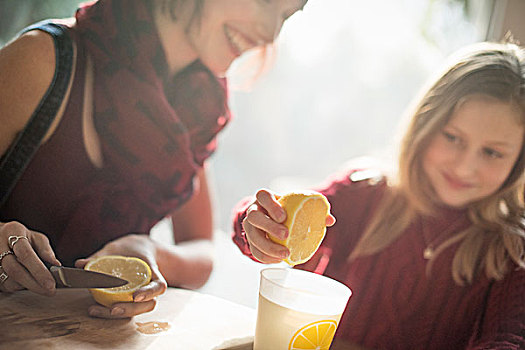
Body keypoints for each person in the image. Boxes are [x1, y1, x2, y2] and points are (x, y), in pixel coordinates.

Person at [0, 0, 307, 319]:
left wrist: (152, 252)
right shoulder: (42, 57)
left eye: (286, 15)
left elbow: (200, 248)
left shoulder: (197, 106)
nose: (270, 33)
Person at [232, 41, 525, 349]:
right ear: (424, 123)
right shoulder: (363, 193)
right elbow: (271, 221)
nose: (465, 167)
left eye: (492, 152)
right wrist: (259, 224)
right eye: (452, 137)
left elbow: (510, 339)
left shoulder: (512, 252)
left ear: (518, 163)